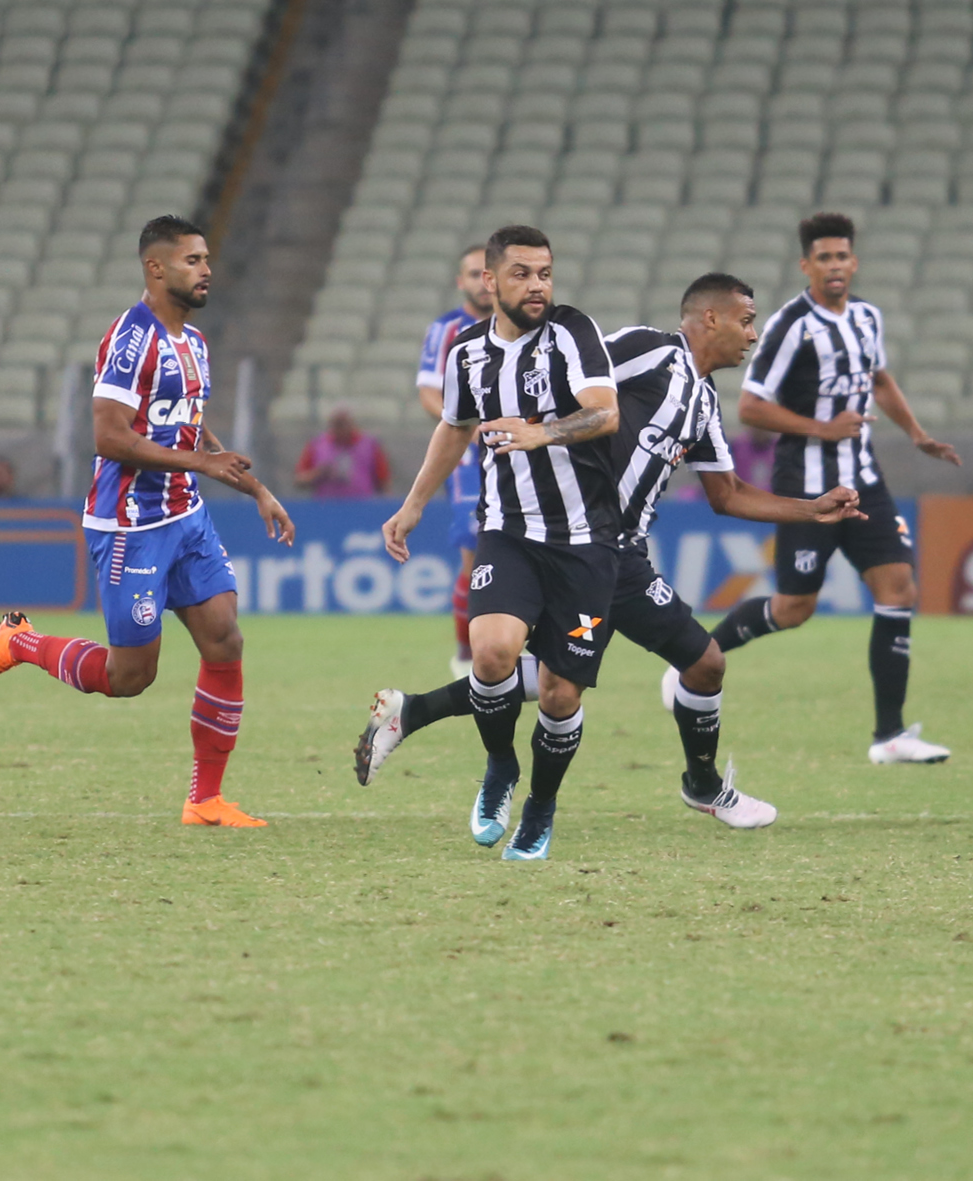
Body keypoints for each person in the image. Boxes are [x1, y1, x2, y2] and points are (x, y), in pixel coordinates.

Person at [356, 273, 867, 828]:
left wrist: (811, 508)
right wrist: (533, 429)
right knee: (548, 676)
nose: (753, 334)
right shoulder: (648, 350)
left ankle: (701, 783)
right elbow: (567, 377)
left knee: (701, 665)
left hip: (621, 556)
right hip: (566, 537)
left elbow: (728, 493)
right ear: (710, 319)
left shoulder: (703, 402)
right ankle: (490, 766)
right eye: (746, 320)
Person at [0, 215, 297, 827]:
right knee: (130, 677)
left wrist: (255, 488)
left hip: (186, 516)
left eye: (206, 259)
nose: (206, 270)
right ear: (156, 267)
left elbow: (191, 431)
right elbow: (109, 438)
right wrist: (202, 461)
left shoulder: (193, 343)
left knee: (225, 637)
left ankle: (206, 800)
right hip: (129, 527)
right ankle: (21, 642)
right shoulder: (130, 338)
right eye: (193, 260)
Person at [379, 225, 620, 862]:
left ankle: (539, 810)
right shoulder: (465, 352)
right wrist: (413, 505)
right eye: (521, 274)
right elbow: (454, 429)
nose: (537, 285)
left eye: (544, 273)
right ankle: (500, 767)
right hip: (508, 530)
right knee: (490, 657)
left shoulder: (573, 332)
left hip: (585, 540)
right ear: (490, 280)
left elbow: (605, 412)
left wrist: (542, 434)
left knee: (562, 694)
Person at [706, 212, 962, 764]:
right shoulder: (790, 325)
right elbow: (750, 405)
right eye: (823, 258)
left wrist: (917, 434)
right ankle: (698, 658)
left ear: (854, 261)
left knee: (899, 589)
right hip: (805, 486)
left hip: (863, 480)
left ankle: (890, 736)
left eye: (842, 256)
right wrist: (821, 427)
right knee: (796, 607)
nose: (835, 266)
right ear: (807, 265)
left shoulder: (868, 317)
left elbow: (879, 379)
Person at [418, 245, 496, 679]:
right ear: (460, 282)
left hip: (522, 452)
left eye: (486, 273)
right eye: (472, 274)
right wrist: (468, 422)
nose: (480, 282)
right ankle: (466, 655)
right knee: (475, 550)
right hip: (468, 457)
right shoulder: (447, 329)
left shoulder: (523, 325)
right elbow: (428, 391)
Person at [293, 407, 391, 497]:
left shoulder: (370, 445)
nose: (340, 429)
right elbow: (299, 479)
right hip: (326, 507)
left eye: (343, 424)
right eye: (337, 424)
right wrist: (319, 473)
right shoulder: (317, 445)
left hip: (361, 506)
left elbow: (383, 480)